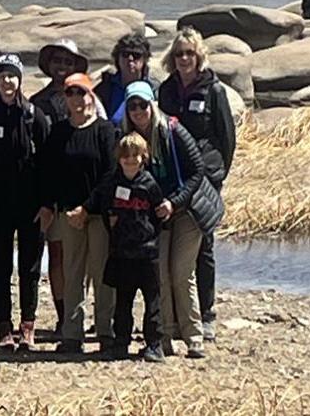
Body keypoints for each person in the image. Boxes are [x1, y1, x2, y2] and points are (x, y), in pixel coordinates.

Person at [122, 81, 223, 359]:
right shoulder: (129, 139)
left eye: (143, 105)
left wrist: (174, 202)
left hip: (187, 211)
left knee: (181, 272)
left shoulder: (173, 129)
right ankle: (164, 336)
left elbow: (197, 169)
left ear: (152, 104)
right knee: (160, 277)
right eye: (132, 106)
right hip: (157, 216)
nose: (138, 111)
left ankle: (194, 338)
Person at [158, 27, 235, 342]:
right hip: (173, 176)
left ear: (199, 55)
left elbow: (227, 136)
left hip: (205, 177)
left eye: (189, 53)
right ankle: (175, 316)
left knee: (204, 244)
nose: (184, 59)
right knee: (174, 243)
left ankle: (206, 314)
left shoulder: (213, 90)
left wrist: (218, 173)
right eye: (179, 54)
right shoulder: (166, 91)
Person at [37, 72, 116, 355]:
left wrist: (89, 208)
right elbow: (48, 172)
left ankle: (106, 332)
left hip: (98, 215)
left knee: (102, 274)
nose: (75, 99)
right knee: (72, 274)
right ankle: (72, 334)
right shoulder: (59, 132)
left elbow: (110, 174)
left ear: (90, 96)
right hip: (67, 214)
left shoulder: (105, 131)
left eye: (81, 92)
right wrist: (49, 205)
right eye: (70, 93)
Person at [0, 55, 51, 351]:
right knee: (0, 267)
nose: (7, 81)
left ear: (21, 79)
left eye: (12, 76)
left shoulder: (35, 116)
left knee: (30, 269)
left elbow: (48, 164)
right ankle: (4, 325)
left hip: (30, 206)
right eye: (2, 76)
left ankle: (28, 326)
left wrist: (47, 204)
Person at [76, 132, 165, 362]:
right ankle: (121, 342)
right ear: (119, 158)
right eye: (125, 156)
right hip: (121, 252)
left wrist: (148, 234)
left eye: (135, 155)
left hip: (147, 253)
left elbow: (159, 216)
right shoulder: (112, 183)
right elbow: (102, 205)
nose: (130, 160)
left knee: (152, 302)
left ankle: (154, 344)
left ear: (143, 157)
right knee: (123, 302)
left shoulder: (150, 184)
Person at [28, 39, 90, 335]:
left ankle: (79, 310)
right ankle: (63, 313)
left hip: (83, 187)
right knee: (57, 253)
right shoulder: (37, 103)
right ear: (49, 65)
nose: (62, 67)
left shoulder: (91, 99)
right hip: (51, 188)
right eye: (58, 62)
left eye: (68, 62)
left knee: (85, 254)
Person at [94, 34, 160, 127]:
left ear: (145, 59)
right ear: (118, 58)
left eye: (136, 55)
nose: (130, 59)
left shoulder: (154, 88)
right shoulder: (106, 86)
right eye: (125, 54)